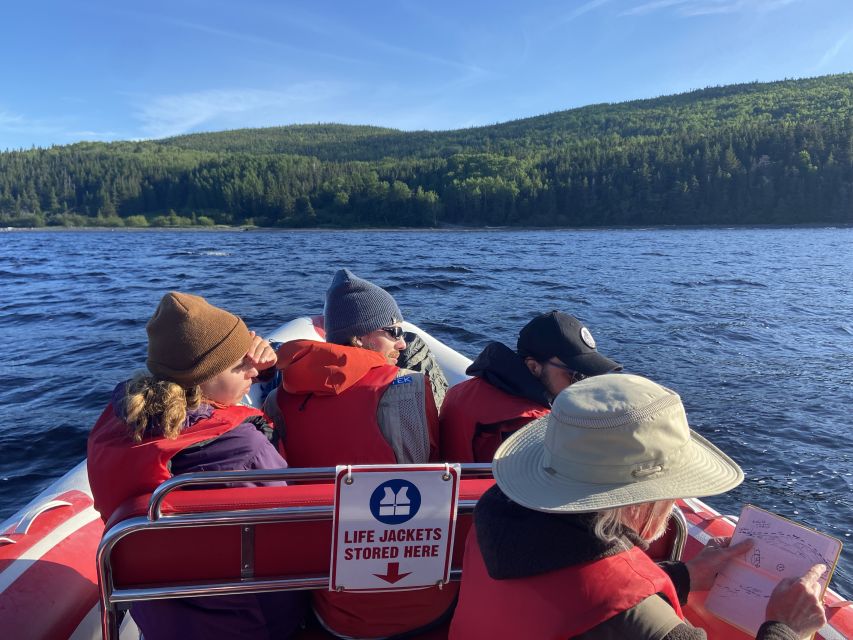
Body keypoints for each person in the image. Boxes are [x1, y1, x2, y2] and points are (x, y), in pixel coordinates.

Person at [449, 374, 827, 640]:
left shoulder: (495, 516)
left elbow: (568, 591)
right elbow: (606, 607)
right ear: (640, 499)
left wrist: (685, 576)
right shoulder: (638, 624)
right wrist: (786, 628)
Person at [87, 291, 305, 640]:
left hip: (161, 619)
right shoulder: (244, 451)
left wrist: (257, 369)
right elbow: (295, 535)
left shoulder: (117, 430)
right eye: (241, 363)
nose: (253, 369)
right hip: (250, 623)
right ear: (204, 377)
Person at [263, 269, 455, 639]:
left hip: (331, 600)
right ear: (360, 338)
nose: (402, 344)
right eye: (394, 332)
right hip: (418, 602)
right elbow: (427, 469)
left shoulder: (277, 399)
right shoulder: (408, 389)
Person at [440, 310, 621, 463]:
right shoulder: (526, 428)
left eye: (589, 375)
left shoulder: (465, 391)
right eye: (576, 375)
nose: (583, 386)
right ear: (534, 367)